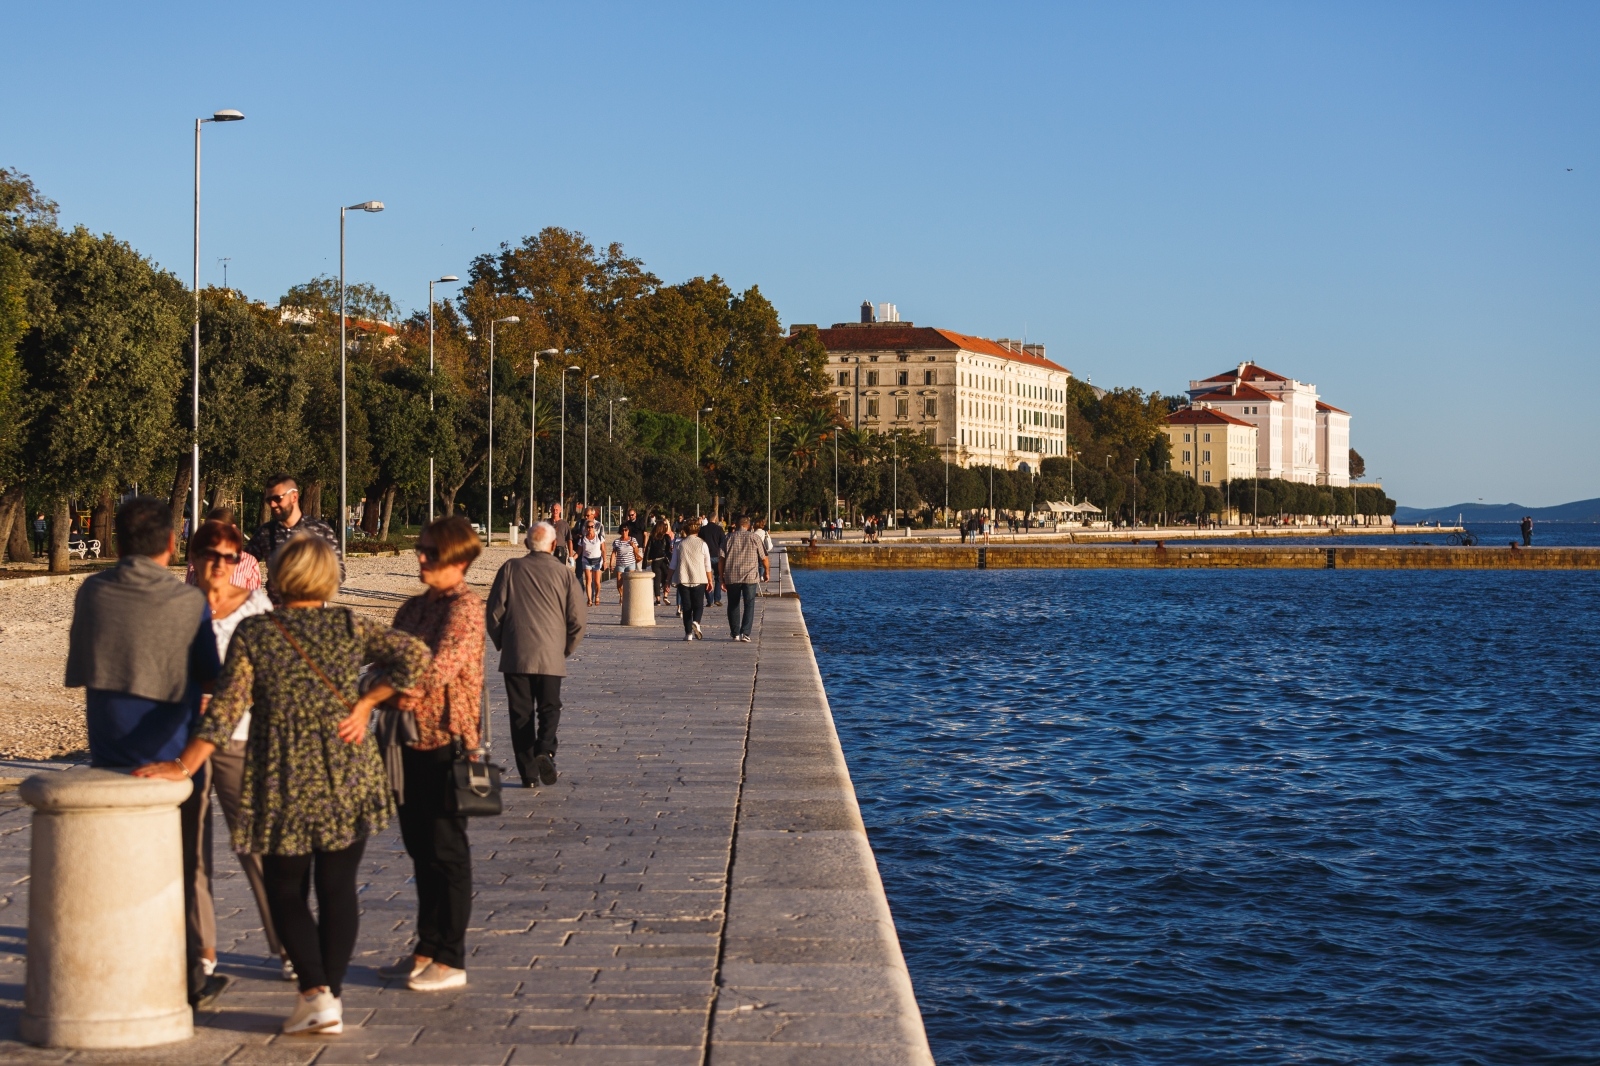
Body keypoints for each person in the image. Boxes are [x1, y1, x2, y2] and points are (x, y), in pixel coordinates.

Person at [139, 535, 429, 1035]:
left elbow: (224, 713)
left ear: (279, 575)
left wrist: (183, 767)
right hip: (347, 770)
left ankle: (315, 992)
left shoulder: (256, 633)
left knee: (284, 888)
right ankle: (330, 996)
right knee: (337, 888)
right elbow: (417, 657)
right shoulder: (347, 625)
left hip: (284, 775)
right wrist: (367, 701)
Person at [65, 497, 228, 1010]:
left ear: (117, 542)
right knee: (178, 867)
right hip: (171, 750)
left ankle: (116, 967)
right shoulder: (187, 602)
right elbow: (211, 673)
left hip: (110, 745)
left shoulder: (92, 590)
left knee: (113, 867)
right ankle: (187, 979)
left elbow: (83, 659)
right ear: (172, 543)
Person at [378, 516, 484, 993]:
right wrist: (382, 686)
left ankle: (452, 956)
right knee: (419, 849)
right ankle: (426, 945)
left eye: (430, 552)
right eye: (420, 549)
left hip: (447, 741)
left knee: (447, 851)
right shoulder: (413, 608)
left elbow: (440, 668)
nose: (421, 558)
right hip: (404, 740)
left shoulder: (465, 609)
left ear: (458, 560)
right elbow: (382, 659)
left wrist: (391, 688)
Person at [189, 519, 288, 982]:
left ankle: (288, 943)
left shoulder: (254, 607)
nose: (218, 563)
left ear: (237, 563)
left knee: (255, 842)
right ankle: (202, 949)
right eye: (210, 553)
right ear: (193, 556)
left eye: (228, 556)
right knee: (191, 849)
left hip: (241, 735)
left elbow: (272, 676)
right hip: (186, 737)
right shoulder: (179, 607)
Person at [486, 521, 586, 789]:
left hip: (516, 654)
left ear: (527, 543)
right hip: (550, 654)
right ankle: (545, 749)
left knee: (520, 714)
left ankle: (528, 775)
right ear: (554, 545)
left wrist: (503, 643)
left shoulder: (510, 569)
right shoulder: (564, 575)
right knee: (550, 707)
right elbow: (577, 620)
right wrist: (564, 649)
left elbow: (494, 613)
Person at [245, 473, 342, 603]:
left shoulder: (320, 530)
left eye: (277, 498)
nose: (272, 504)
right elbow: (243, 564)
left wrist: (311, 586)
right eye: (269, 500)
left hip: (312, 611)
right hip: (277, 611)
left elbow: (339, 571)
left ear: (294, 497)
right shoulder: (266, 533)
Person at [186, 506, 263, 592]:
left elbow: (254, 596)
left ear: (233, 528)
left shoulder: (249, 562)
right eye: (208, 530)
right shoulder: (198, 558)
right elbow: (189, 593)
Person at [721, 516, 768, 642]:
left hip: (732, 576)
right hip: (750, 577)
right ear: (748, 525)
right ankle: (745, 633)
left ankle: (735, 633)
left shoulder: (728, 537)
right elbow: (764, 558)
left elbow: (721, 559)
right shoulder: (754, 537)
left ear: (736, 525)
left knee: (733, 604)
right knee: (749, 604)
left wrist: (721, 577)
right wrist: (766, 572)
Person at [675, 519, 713, 641]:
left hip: (683, 578)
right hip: (699, 578)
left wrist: (667, 580)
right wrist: (710, 580)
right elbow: (707, 564)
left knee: (686, 607)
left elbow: (673, 564)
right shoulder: (703, 544)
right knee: (698, 604)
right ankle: (696, 622)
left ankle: (688, 634)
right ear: (698, 530)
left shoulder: (680, 544)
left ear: (685, 530)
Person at [644, 518, 674, 606]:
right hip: (664, 560)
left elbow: (647, 550)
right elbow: (669, 549)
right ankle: (665, 595)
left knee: (656, 580)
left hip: (655, 560)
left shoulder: (652, 537)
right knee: (667, 577)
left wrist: (644, 563)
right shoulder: (666, 537)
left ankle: (657, 599)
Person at [576, 518, 605, 606]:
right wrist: (573, 558)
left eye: (592, 527)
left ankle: (597, 596)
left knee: (597, 581)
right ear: (585, 528)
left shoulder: (599, 537)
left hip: (597, 560)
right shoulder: (583, 539)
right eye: (588, 527)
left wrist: (605, 561)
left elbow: (603, 550)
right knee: (588, 580)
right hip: (586, 560)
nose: (590, 528)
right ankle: (589, 600)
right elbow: (579, 552)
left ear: (594, 527)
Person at [698, 514, 726, 606]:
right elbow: (723, 542)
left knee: (706, 578)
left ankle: (709, 600)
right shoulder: (719, 529)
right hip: (716, 555)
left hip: (705, 556)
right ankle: (717, 598)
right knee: (718, 577)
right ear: (716, 519)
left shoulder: (702, 529)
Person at [609, 524, 640, 598]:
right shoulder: (617, 541)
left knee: (630, 582)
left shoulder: (633, 539)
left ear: (628, 531)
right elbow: (613, 553)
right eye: (622, 530)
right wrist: (611, 564)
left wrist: (634, 546)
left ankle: (628, 597)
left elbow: (637, 551)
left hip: (630, 563)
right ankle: (621, 596)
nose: (624, 532)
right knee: (619, 584)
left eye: (626, 530)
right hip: (620, 564)